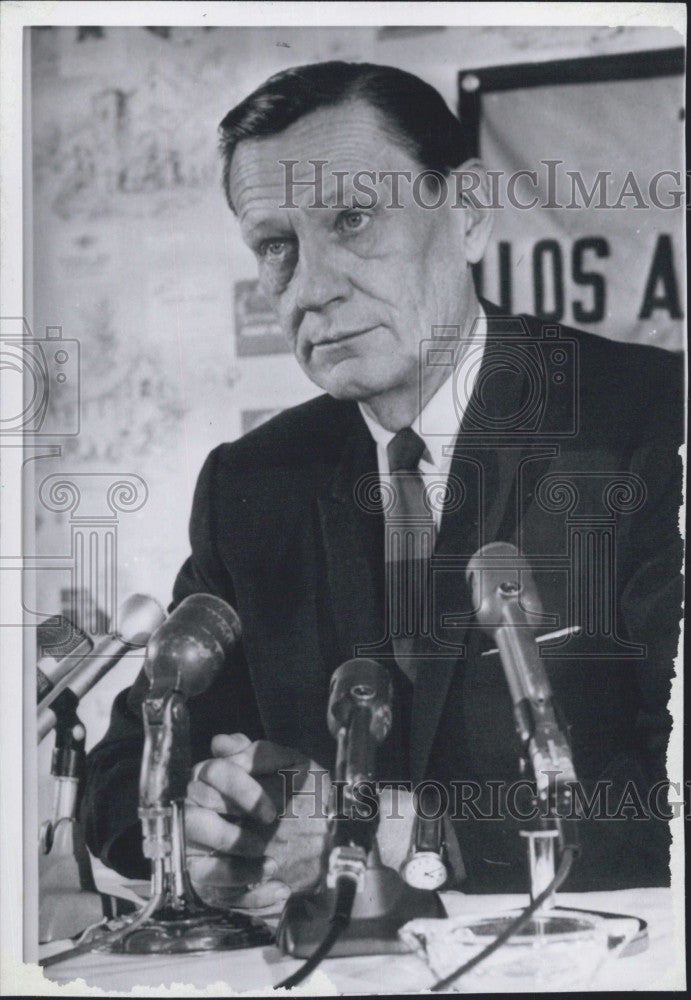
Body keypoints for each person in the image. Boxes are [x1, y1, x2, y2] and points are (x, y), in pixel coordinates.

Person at [83, 61, 683, 907]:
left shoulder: (655, 421)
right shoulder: (252, 485)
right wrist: (201, 822)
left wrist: (408, 831)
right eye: (275, 246)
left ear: (468, 213)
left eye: (353, 219)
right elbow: (119, 777)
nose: (313, 287)